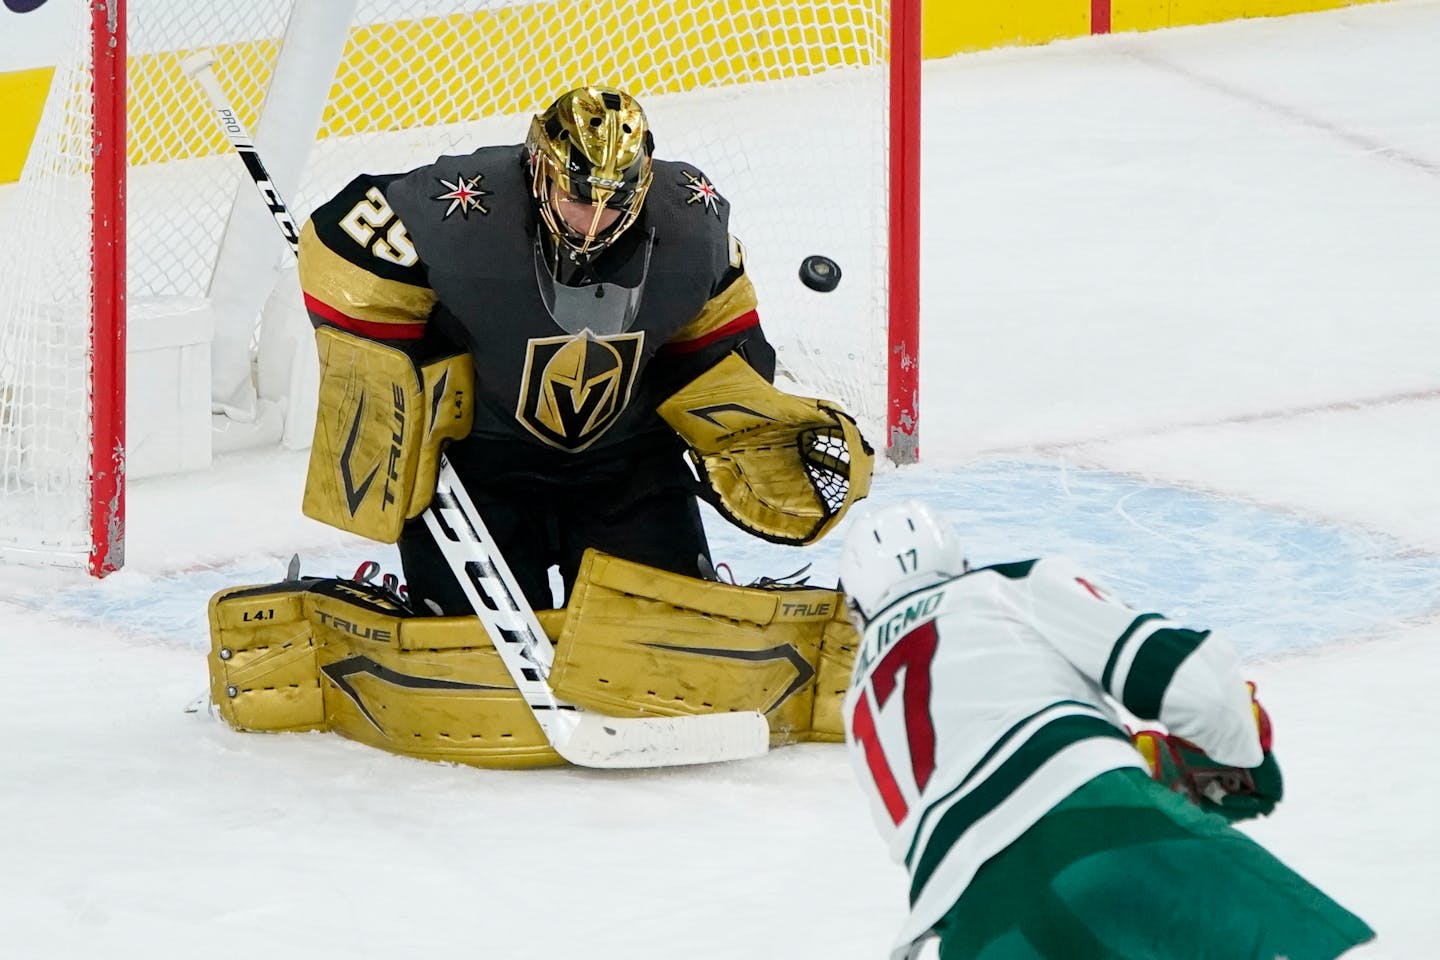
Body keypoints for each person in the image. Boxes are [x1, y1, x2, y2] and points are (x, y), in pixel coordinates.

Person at [295, 85, 870, 613]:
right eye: (578, 198)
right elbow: (338, 250)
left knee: (666, 642)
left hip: (626, 464)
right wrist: (407, 385)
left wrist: (752, 422)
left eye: (614, 203)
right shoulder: (458, 211)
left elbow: (717, 349)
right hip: (481, 467)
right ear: (539, 168)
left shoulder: (690, 223)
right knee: (465, 648)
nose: (594, 220)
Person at [837, 500, 1375, 960]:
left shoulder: (856, 701)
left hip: (974, 922)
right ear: (959, 562)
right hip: (1102, 827)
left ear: (858, 605)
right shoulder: (1001, 587)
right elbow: (1197, 683)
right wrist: (1236, 756)